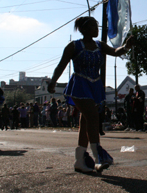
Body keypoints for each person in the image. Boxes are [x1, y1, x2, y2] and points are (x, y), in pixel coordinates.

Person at [48, 16, 134, 173]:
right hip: (80, 85)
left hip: (94, 86)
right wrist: (53, 81)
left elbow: (115, 51)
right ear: (85, 29)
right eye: (94, 26)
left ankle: (80, 160)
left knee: (86, 122)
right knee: (93, 117)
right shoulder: (74, 46)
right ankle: (98, 158)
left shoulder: (99, 45)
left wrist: (126, 46)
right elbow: (61, 65)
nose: (97, 29)